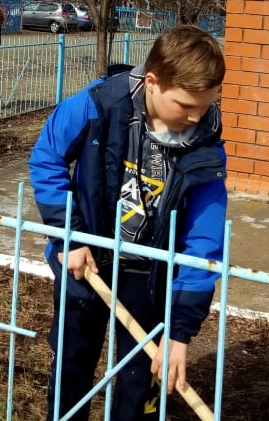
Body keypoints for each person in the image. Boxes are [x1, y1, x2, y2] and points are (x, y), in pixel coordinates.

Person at [28, 25, 227, 420]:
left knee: (141, 378)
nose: (196, 116)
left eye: (206, 105)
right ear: (152, 82)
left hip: (149, 274)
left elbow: (205, 237)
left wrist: (180, 331)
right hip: (86, 261)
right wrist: (71, 236)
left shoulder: (204, 141)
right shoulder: (99, 104)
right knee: (71, 364)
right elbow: (47, 159)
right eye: (185, 105)